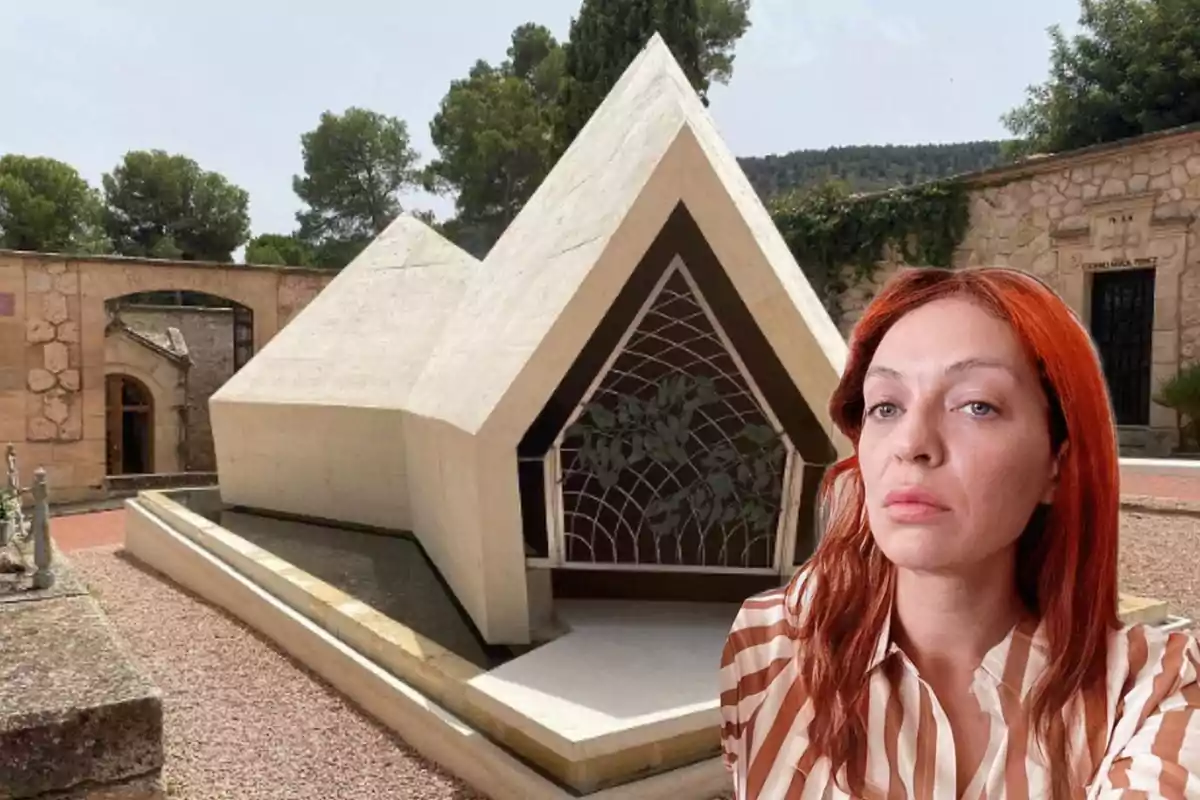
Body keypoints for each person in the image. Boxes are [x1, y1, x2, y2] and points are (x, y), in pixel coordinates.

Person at [719, 267, 1200, 799]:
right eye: (886, 406)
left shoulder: (1153, 688)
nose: (913, 442)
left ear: (1057, 465)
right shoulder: (769, 647)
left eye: (976, 405)